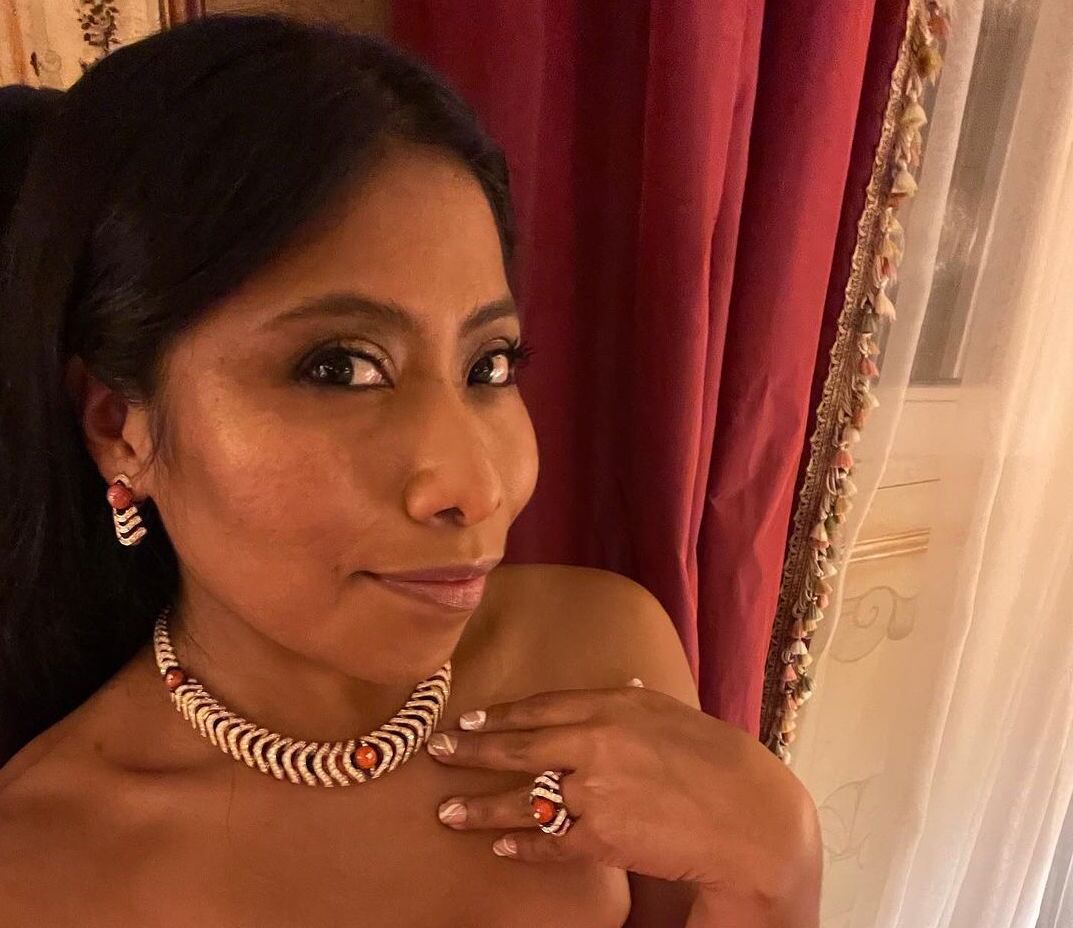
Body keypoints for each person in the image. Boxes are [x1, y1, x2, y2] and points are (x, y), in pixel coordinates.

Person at [0, 14, 821, 927]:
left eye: (489, 365)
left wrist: (773, 871)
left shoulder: (599, 654)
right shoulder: (39, 871)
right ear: (120, 428)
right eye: (338, 368)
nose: (477, 488)